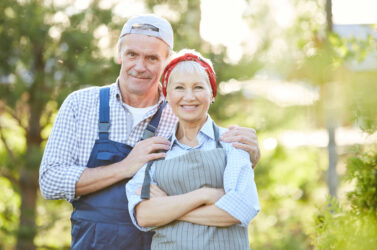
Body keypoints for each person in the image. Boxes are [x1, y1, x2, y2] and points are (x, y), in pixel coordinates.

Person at [39, 14, 260, 250]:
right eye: (132, 54)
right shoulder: (81, 105)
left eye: (152, 58)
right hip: (93, 243)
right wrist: (125, 167)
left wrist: (251, 155)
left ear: (167, 62)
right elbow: (50, 181)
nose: (140, 66)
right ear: (119, 54)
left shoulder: (180, 110)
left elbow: (216, 163)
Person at [126, 50, 260, 250]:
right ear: (168, 96)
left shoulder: (232, 143)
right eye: (179, 87)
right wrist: (204, 195)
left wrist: (168, 207)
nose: (189, 97)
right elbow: (144, 215)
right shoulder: (154, 151)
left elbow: (241, 209)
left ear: (211, 94)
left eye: (198, 87)